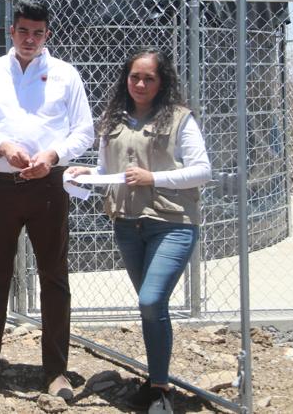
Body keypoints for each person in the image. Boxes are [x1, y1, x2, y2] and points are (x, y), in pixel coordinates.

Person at [0, 0, 94, 401]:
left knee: (54, 277)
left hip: (48, 188)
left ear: (47, 34)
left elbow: (84, 132)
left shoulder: (66, 76)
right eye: (23, 31)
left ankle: (56, 370)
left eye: (38, 32)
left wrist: (52, 156)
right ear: (11, 31)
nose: (30, 39)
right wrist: (2, 146)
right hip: (1, 187)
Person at [66, 48, 211, 414]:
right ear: (125, 79)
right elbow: (106, 169)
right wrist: (86, 174)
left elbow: (202, 171)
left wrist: (153, 177)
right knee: (152, 307)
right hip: (128, 225)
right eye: (135, 77)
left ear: (162, 82)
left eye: (149, 77)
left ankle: (160, 389)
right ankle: (155, 383)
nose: (141, 84)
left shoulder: (179, 119)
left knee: (149, 300)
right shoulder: (114, 119)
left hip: (172, 223)